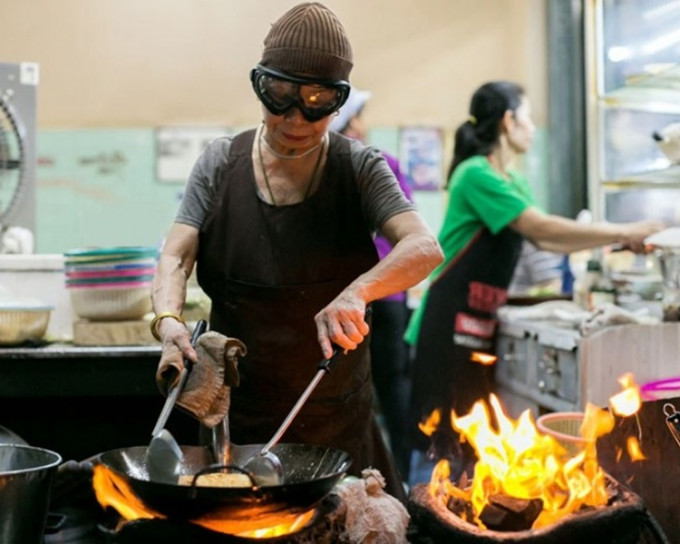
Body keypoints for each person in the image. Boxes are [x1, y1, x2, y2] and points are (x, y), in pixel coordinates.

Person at [150, 2, 443, 503]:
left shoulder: (359, 168)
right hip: (236, 431)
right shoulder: (222, 164)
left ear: (338, 102)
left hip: (337, 425)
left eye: (317, 102)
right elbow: (176, 255)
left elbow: (424, 248)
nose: (295, 118)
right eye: (280, 96)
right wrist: (168, 321)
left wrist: (358, 292)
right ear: (261, 85)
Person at [404, 80, 664, 484]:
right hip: (445, 325)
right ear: (508, 121)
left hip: (479, 324)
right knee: (436, 439)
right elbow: (541, 230)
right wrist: (622, 230)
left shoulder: (514, 180)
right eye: (527, 116)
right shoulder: (474, 174)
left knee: (471, 441)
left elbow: (548, 239)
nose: (533, 127)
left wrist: (617, 242)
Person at [329, 87, 414, 480]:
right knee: (391, 387)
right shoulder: (381, 163)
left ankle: (363, 472)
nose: (362, 125)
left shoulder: (326, 171)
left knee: (354, 390)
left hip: (351, 297)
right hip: (387, 293)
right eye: (356, 117)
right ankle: (400, 473)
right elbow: (406, 233)